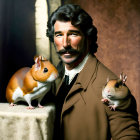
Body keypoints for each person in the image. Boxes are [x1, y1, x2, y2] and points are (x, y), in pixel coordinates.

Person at [47, 4, 140, 140]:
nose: (65, 43)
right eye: (59, 35)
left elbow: (128, 136)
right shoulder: (54, 76)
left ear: (88, 38)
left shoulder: (113, 89)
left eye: (73, 34)